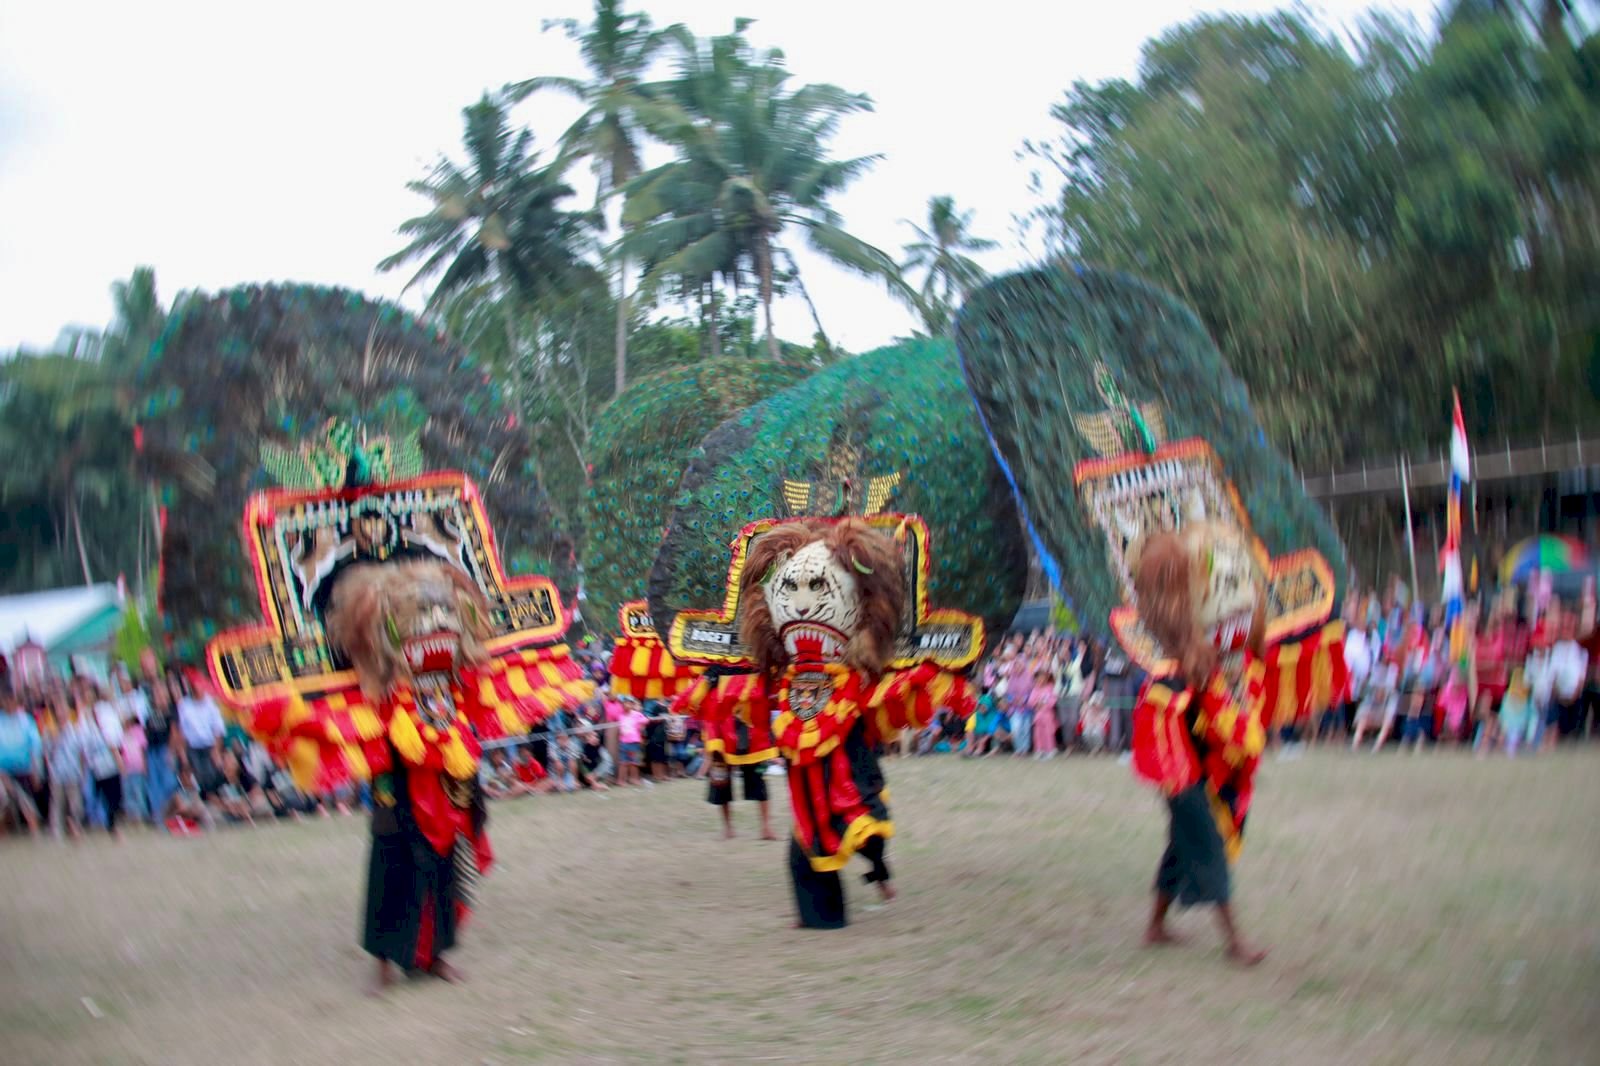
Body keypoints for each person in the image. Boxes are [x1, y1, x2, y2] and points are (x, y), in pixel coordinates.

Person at [175, 672, 226, 795]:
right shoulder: (184, 705)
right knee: (198, 779)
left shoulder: (211, 704)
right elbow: (181, 732)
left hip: (209, 746)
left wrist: (216, 750)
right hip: (193, 747)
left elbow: (218, 729)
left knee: (214, 776)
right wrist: (183, 755)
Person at [0, 696, 43, 835]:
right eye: (6, 701)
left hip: (24, 769)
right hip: (3, 771)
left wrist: (36, 770)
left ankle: (33, 832)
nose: (8, 704)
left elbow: (35, 747)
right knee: (4, 803)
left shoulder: (26, 720)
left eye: (11, 701)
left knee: (27, 805)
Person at [119, 711, 149, 824]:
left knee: (138, 792)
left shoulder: (138, 731)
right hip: (126, 769)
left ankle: (141, 815)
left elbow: (142, 750)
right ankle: (132, 817)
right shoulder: (120, 733)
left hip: (137, 767)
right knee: (128, 793)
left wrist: (144, 766)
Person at [615, 698, 647, 787]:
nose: (626, 705)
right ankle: (621, 780)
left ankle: (634, 779)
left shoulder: (636, 714)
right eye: (625, 703)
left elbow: (645, 720)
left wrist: (639, 723)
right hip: (623, 742)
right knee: (623, 762)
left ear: (632, 705)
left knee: (634, 762)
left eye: (629, 703)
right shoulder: (620, 715)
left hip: (634, 742)